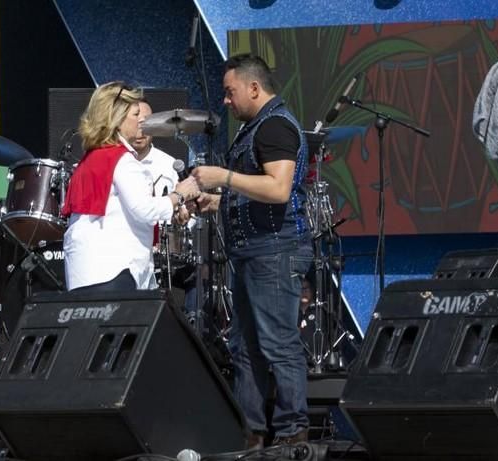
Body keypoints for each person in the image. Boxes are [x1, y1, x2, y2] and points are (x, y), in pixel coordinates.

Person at [192, 54, 312, 448]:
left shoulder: (275, 126)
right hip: (252, 252)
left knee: (277, 343)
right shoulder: (258, 128)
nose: (226, 101)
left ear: (254, 88)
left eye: (230, 92)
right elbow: (256, 189)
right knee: (245, 347)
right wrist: (218, 201)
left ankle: (293, 433)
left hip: (274, 250)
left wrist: (224, 178)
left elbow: (278, 189)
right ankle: (252, 433)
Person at [61, 81, 199, 292]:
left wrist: (172, 210)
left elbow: (120, 212)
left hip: (85, 271)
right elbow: (145, 210)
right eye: (135, 114)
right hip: (113, 270)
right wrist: (180, 193)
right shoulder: (121, 160)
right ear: (116, 118)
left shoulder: (92, 158)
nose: (142, 120)